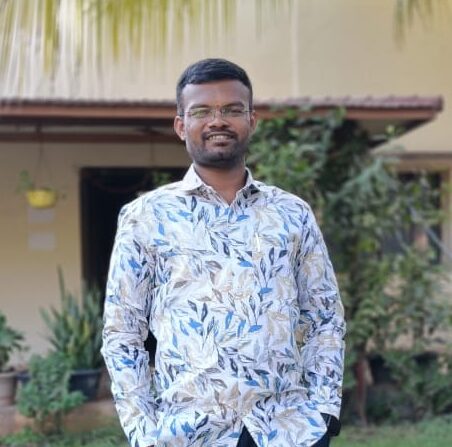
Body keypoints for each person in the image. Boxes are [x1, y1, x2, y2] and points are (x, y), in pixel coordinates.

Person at [102, 58, 346, 447]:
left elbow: (325, 317)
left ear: (252, 120)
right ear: (181, 125)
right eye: (202, 111)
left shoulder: (291, 213)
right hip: (186, 433)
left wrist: (324, 412)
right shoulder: (144, 217)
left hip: (287, 431)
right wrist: (142, 430)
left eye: (232, 109)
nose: (218, 121)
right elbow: (122, 332)